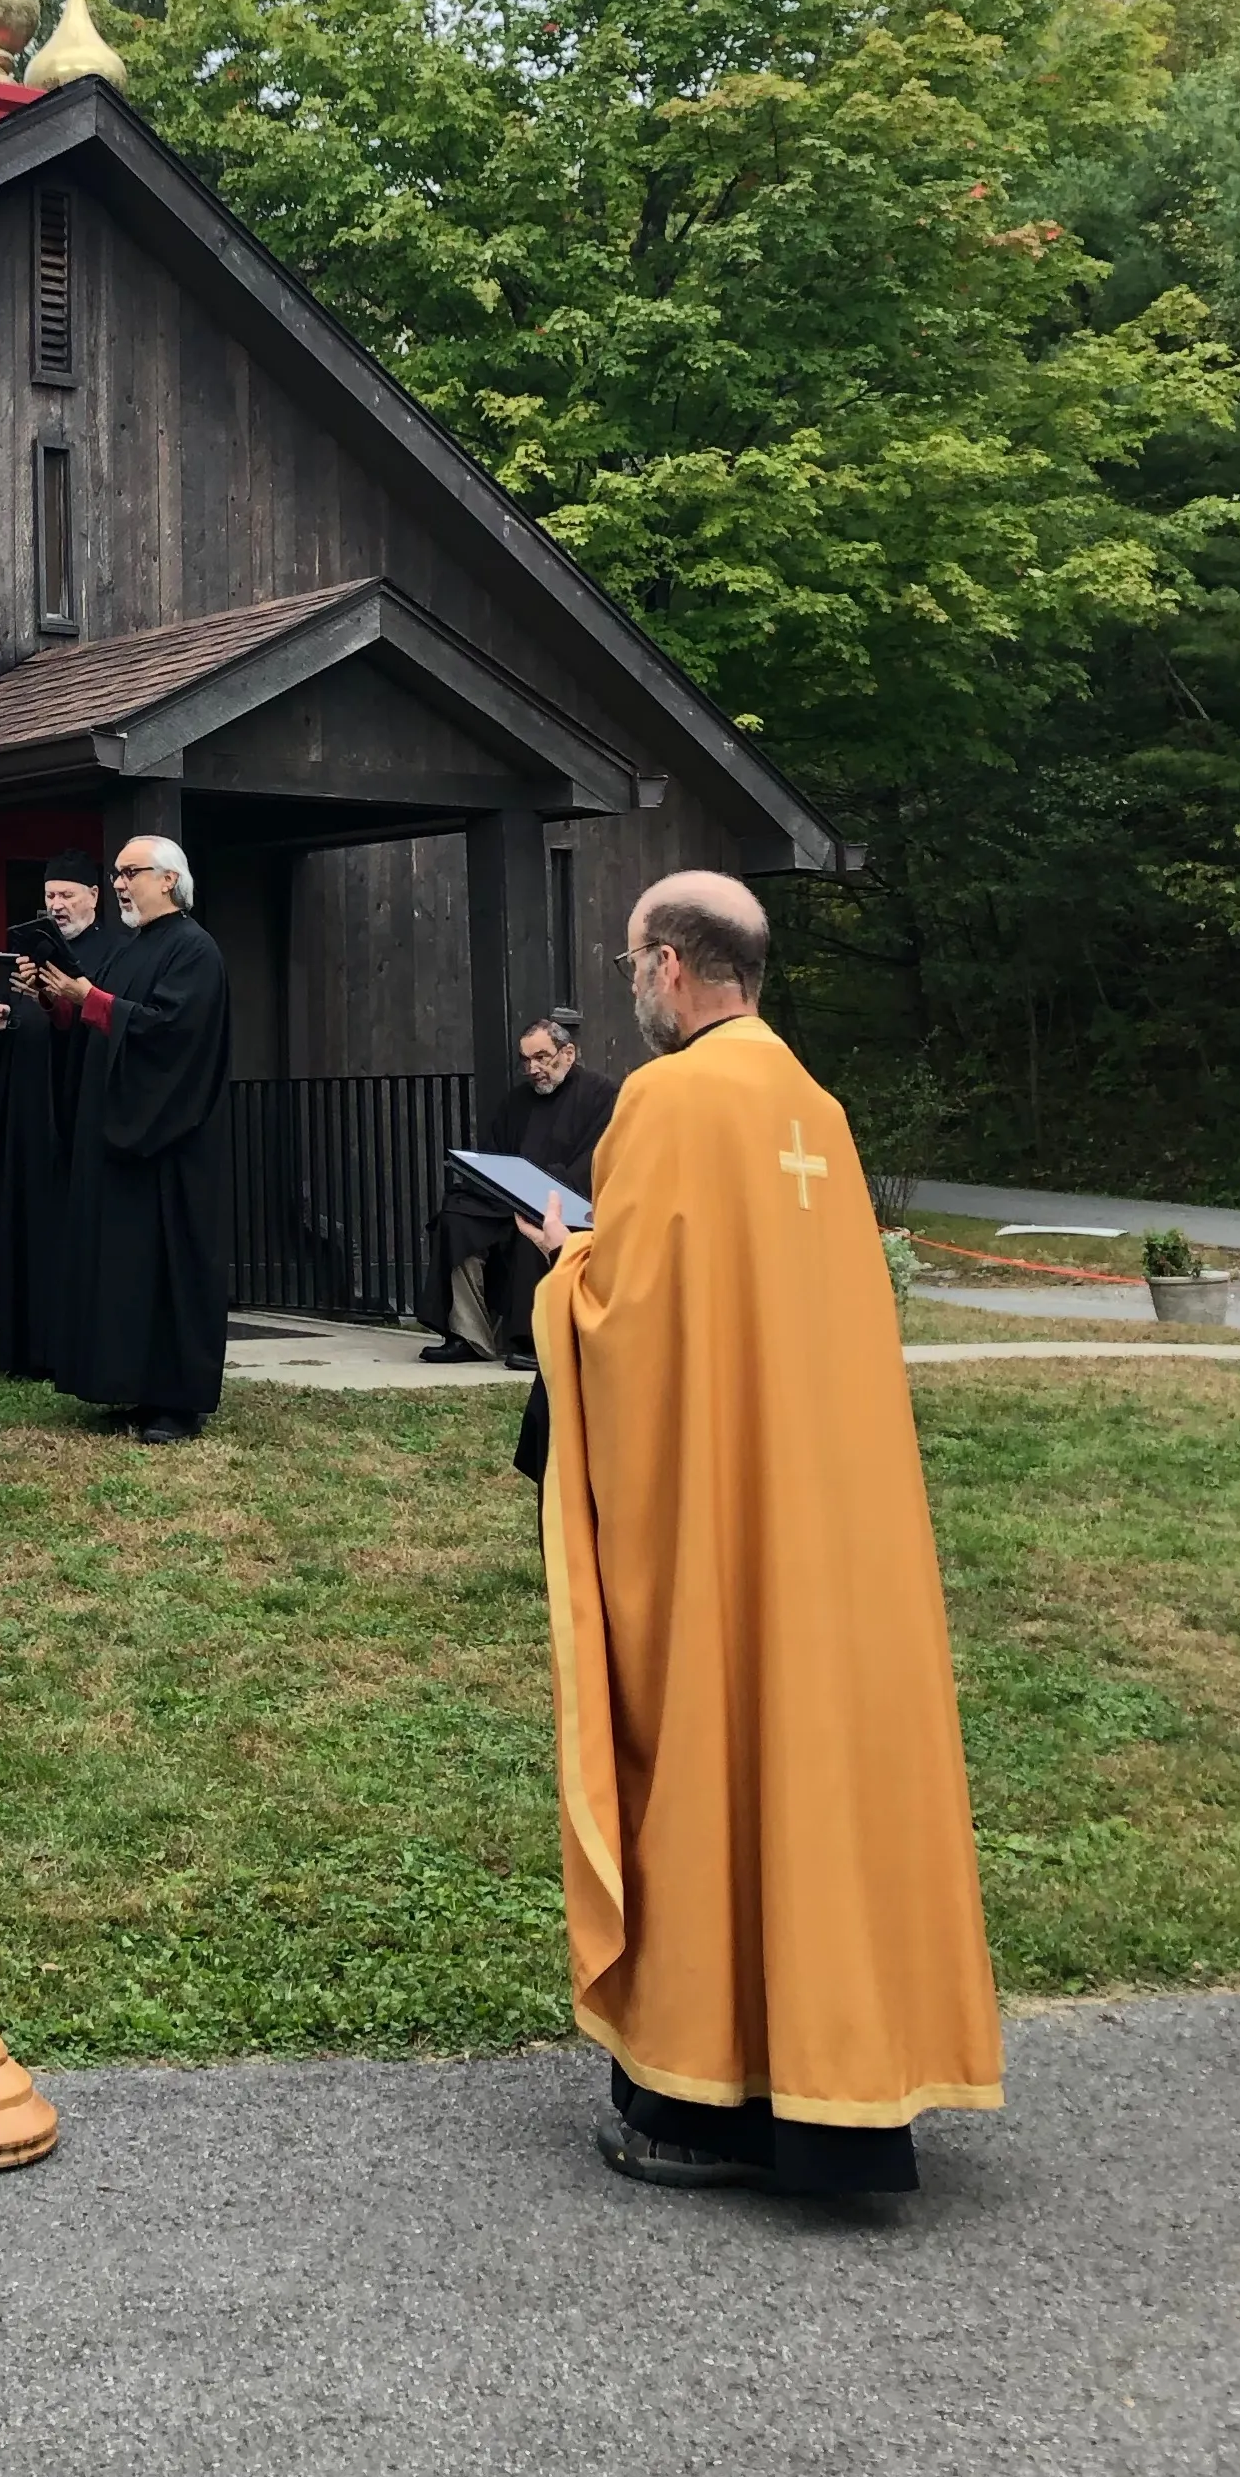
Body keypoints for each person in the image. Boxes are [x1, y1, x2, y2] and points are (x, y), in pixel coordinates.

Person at [516, 872, 1003, 2198]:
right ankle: (852, 2079)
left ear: (673, 968)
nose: (630, 986)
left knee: (710, 1756)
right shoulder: (817, 1113)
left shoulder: (667, 1101)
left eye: (632, 964)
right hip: (834, 1520)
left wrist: (563, 1260)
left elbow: (626, 1327)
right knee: (825, 1773)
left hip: (718, 1519)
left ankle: (701, 2097)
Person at [32, 834, 232, 1444]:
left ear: (168, 879)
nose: (119, 884)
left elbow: (170, 1034)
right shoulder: (132, 947)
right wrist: (59, 1001)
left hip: (167, 1143)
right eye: (117, 874)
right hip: (116, 1142)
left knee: (167, 1271)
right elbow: (101, 1023)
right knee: (120, 1268)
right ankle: (124, 1384)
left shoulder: (195, 952)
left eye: (130, 873)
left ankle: (174, 1401)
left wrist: (90, 999)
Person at [421, 1005, 618, 1378]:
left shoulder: (601, 1095)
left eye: (541, 1057)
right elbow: (496, 1153)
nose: (533, 1069)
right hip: (510, 1198)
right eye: (526, 1060)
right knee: (458, 1215)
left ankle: (533, 1339)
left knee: (536, 1220)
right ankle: (469, 1335)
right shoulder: (517, 1101)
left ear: (568, 1053)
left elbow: (597, 1160)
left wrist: (542, 1187)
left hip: (569, 1201)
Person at [0, 852, 113, 1380]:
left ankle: (66, 1347)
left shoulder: (111, 956)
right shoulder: (22, 957)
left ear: (93, 897)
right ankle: (20, 1348)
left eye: (67, 895)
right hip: (24, 1122)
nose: (57, 906)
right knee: (19, 1231)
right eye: (51, 896)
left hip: (75, 1122)